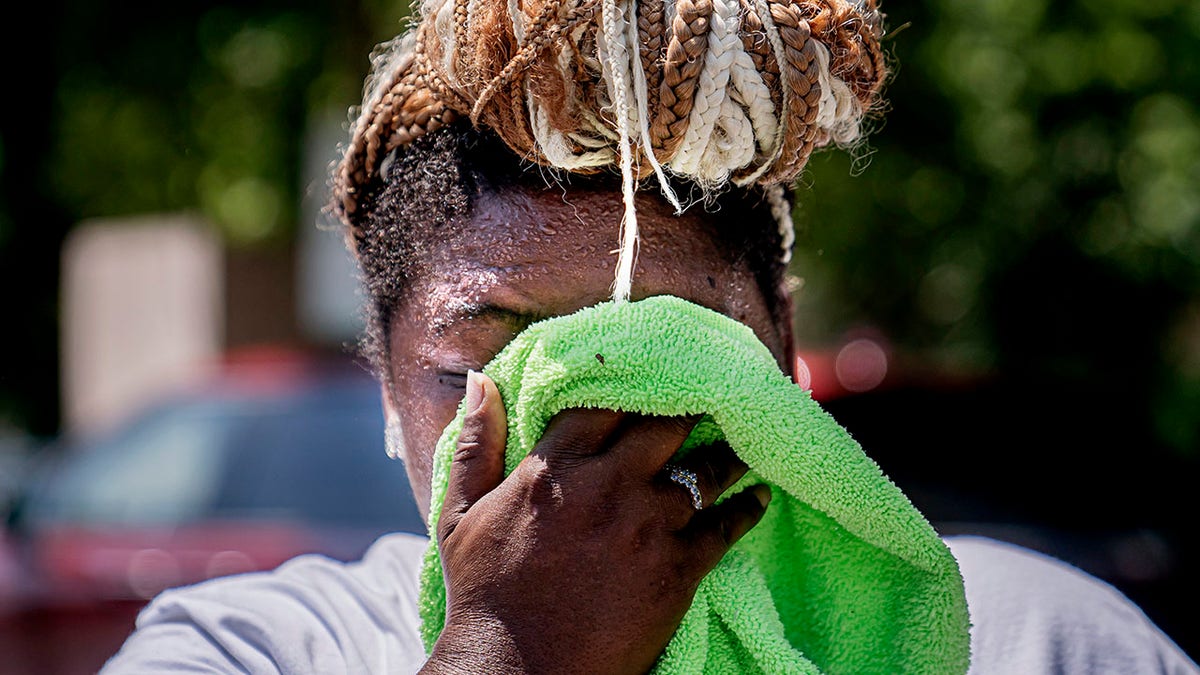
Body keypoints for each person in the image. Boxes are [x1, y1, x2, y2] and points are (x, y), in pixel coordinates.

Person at [103, 0, 1197, 672]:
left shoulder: (1038, 647)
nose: (577, 442)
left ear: (777, 355)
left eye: (667, 354)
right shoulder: (251, 651)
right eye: (486, 365)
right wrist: (508, 652)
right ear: (387, 389)